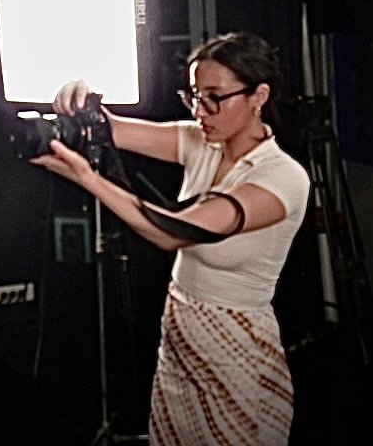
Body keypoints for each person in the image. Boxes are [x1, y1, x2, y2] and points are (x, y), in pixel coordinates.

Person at [30, 31, 311, 445]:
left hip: (236, 342)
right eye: (194, 96)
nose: (200, 111)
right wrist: (84, 104)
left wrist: (89, 179)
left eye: (214, 98)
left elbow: (176, 231)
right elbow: (112, 130)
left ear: (259, 96)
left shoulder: (282, 178)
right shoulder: (201, 141)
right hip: (181, 331)